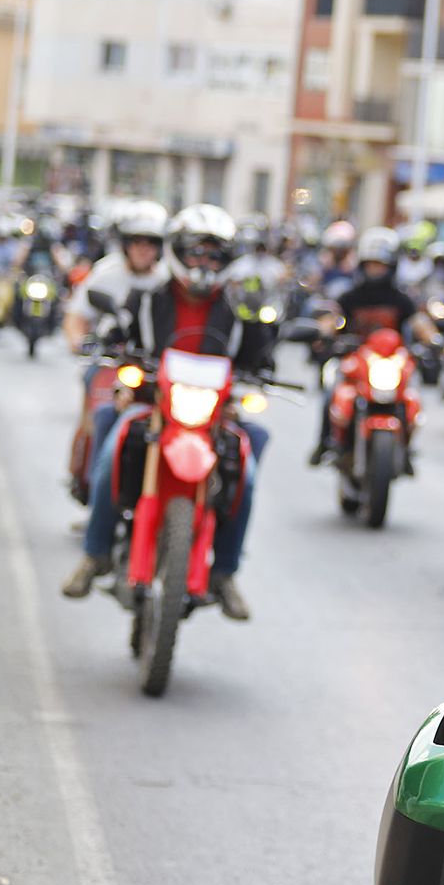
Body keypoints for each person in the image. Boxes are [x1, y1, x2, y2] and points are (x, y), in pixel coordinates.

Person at [60, 205, 274, 620]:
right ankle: (95, 554)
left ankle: (225, 573)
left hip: (212, 417)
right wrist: (115, 357)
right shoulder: (146, 299)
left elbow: (259, 355)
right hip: (153, 407)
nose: (203, 264)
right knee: (111, 443)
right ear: (178, 252)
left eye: (213, 255)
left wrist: (259, 374)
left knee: (246, 467)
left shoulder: (237, 309)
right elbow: (117, 336)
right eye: (196, 253)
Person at [307, 226, 437, 466]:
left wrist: (434, 340)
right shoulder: (351, 296)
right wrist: (323, 331)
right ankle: (326, 442)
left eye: (381, 264)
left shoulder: (401, 298)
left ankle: (406, 447)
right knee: (330, 393)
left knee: (413, 394)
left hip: (392, 361)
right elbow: (333, 318)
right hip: (356, 360)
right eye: (371, 264)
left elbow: (419, 322)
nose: (375, 269)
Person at [62, 200, 170, 486]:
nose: (143, 248)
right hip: (111, 359)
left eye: (151, 242)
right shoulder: (106, 272)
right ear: (125, 244)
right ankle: (88, 478)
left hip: (155, 368)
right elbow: (76, 315)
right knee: (100, 411)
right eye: (137, 241)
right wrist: (78, 342)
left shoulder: (168, 280)